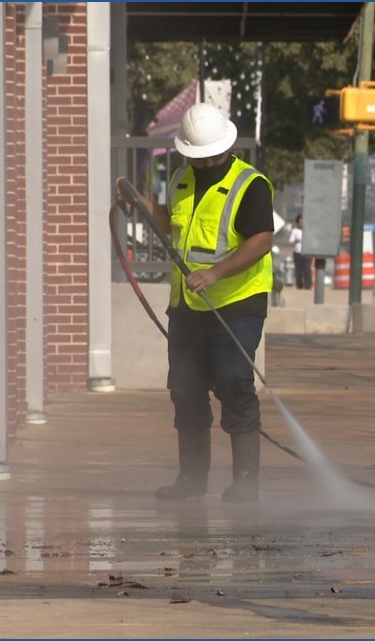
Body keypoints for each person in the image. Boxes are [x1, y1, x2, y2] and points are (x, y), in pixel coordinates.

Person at [116, 103, 274, 502]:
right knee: (185, 389)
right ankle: (191, 480)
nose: (202, 164)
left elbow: (260, 241)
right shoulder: (182, 180)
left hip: (237, 304)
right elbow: (169, 221)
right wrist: (138, 202)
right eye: (195, 157)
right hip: (187, 306)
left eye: (209, 157)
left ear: (225, 146)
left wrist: (217, 273)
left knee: (235, 384)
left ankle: (245, 484)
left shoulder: (249, 185)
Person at [290, 214, 311, 289]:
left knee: (307, 269)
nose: (301, 224)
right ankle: (299, 285)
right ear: (297, 223)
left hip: (307, 252)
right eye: (300, 222)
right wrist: (297, 241)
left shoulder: (307, 230)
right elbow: (291, 240)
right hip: (297, 252)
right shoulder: (295, 231)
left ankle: (308, 285)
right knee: (299, 270)